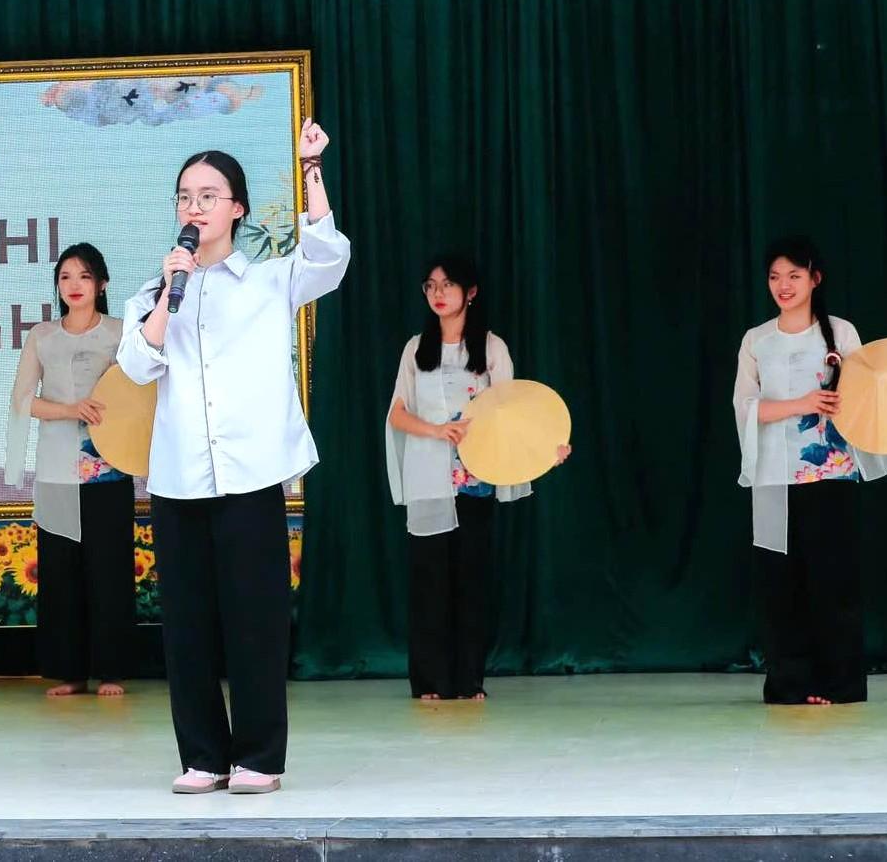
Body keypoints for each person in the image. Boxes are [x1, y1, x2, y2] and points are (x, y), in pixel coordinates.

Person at [117, 119, 350, 795]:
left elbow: (328, 260)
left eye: (209, 195)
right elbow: (136, 363)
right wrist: (168, 290)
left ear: (236, 208)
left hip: (249, 479)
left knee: (254, 620)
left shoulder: (269, 279)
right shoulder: (155, 290)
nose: (194, 206)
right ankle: (201, 756)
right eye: (185, 196)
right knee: (186, 626)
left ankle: (257, 758)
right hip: (178, 480)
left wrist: (310, 172)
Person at [385, 253, 569, 702]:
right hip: (429, 476)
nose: (438, 294)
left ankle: (468, 681)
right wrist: (436, 430)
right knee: (429, 581)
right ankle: (428, 682)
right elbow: (397, 414)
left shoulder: (491, 348)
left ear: (470, 292)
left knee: (470, 581)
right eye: (430, 286)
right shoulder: (415, 349)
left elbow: (516, 410)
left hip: (475, 478)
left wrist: (550, 448)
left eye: (447, 285)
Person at [733, 235, 887, 705]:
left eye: (794, 276)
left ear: (814, 279)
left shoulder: (840, 334)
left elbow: (870, 392)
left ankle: (838, 684)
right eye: (775, 277)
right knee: (782, 585)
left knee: (833, 581)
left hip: (831, 473)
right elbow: (744, 409)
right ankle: (792, 684)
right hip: (773, 477)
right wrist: (800, 403)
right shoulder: (756, 340)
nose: (783, 286)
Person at [5, 244, 135, 698]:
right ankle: (71, 671)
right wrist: (68, 408)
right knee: (61, 572)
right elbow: (22, 401)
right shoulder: (42, 336)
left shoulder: (121, 332)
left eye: (83, 276)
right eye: (65, 278)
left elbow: (138, 394)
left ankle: (113, 669)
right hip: (57, 469)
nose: (73, 286)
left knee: (110, 568)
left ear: (102, 284)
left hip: (109, 469)